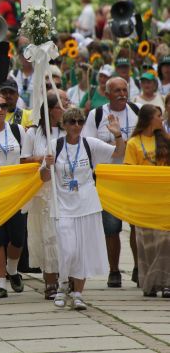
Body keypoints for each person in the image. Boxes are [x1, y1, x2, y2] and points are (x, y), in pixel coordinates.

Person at [41, 107, 124, 309]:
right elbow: (43, 177)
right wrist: (46, 166)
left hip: (87, 204)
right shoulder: (55, 145)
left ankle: (78, 293)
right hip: (62, 206)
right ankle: (62, 286)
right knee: (67, 250)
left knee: (82, 252)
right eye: (72, 122)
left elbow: (119, 154)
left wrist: (118, 134)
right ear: (64, 125)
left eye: (79, 122)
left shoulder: (90, 144)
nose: (76, 126)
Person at [83, 76, 139, 288]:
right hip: (107, 178)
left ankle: (138, 268)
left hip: (132, 177)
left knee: (136, 225)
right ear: (107, 94)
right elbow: (89, 145)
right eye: (117, 90)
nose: (122, 94)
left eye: (124, 89)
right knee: (111, 228)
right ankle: (114, 270)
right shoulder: (96, 115)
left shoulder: (137, 110)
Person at [21, 94, 65, 300]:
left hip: (64, 191)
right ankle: (50, 281)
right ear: (50, 110)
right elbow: (24, 160)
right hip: (43, 192)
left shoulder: (69, 131)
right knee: (47, 236)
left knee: (65, 236)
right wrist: (42, 159)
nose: (64, 110)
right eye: (60, 106)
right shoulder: (32, 134)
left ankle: (68, 279)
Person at [124, 104, 170, 297]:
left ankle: (166, 282)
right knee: (146, 242)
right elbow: (129, 170)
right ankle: (150, 284)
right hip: (143, 200)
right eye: (159, 116)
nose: (162, 119)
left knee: (165, 240)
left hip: (164, 198)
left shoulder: (166, 140)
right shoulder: (133, 143)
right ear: (150, 118)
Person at [0, 93, 27, 299]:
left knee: (18, 238)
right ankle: (0, 283)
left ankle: (12, 270)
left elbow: (26, 159)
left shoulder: (17, 130)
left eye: (2, 105)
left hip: (16, 192)